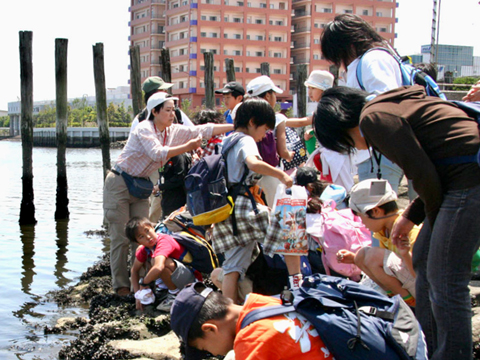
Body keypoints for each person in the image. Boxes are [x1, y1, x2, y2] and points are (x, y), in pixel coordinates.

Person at [313, 85, 480, 359]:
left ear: (342, 125)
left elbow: (425, 176)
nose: (353, 148)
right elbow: (433, 173)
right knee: (425, 260)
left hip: (469, 180)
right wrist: (410, 217)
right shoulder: (387, 105)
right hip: (458, 178)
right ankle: (430, 347)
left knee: (446, 277)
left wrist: (435, 228)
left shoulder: (373, 119)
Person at [104, 91, 233, 296]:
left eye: (174, 110)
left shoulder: (170, 131)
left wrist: (236, 126)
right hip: (119, 183)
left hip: (140, 186)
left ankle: (144, 283)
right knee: (120, 237)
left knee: (143, 236)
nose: (173, 114)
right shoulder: (144, 128)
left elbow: (203, 129)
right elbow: (157, 153)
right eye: (168, 110)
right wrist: (188, 147)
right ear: (154, 111)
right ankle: (121, 287)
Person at [211, 98, 294, 304]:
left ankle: (232, 310)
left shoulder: (227, 141)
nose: (265, 135)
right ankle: (297, 282)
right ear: (252, 122)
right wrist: (281, 175)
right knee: (289, 234)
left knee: (233, 265)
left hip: (227, 207)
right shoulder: (246, 140)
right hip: (243, 208)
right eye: (265, 129)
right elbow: (253, 163)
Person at [320, 14, 405, 194]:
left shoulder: (372, 60)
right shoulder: (367, 61)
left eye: (338, 54)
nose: (340, 61)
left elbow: (386, 101)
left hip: (381, 153)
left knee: (376, 207)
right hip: (376, 153)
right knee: (374, 208)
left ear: (349, 45)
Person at [170, 282, 334, 360]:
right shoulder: (264, 303)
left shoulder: (250, 342)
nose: (213, 354)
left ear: (210, 329)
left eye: (205, 349)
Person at [335, 179, 419, 308]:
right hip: (409, 282)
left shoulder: (411, 232)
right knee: (362, 255)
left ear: (376, 211)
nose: (362, 222)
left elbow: (421, 275)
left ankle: (409, 305)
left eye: (360, 216)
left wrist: (406, 254)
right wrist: (354, 259)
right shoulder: (384, 231)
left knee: (372, 255)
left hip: (422, 289)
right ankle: (395, 299)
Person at [126, 217, 198, 311]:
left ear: (152, 227)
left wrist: (144, 283)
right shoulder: (144, 249)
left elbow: (159, 267)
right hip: (176, 277)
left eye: (147, 231)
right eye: (141, 236)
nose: (148, 237)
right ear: (137, 242)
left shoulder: (163, 241)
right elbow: (134, 270)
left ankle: (174, 295)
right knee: (144, 256)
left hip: (189, 279)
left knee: (158, 262)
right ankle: (164, 289)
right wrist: (138, 296)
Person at [246, 75, 294, 206]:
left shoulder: (244, 117)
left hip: (249, 176)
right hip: (272, 174)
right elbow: (283, 151)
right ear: (268, 96)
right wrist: (290, 155)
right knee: (274, 213)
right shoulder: (277, 118)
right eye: (273, 94)